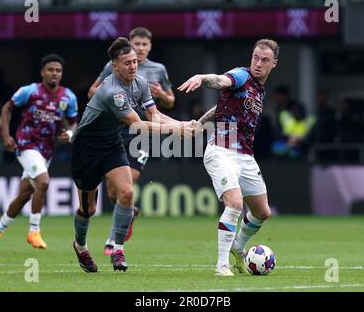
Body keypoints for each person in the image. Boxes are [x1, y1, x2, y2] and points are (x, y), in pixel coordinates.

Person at [71, 37, 194, 273]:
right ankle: (81, 245)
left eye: (135, 62)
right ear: (114, 66)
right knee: (88, 210)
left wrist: (183, 124)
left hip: (111, 144)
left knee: (126, 193)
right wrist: (178, 129)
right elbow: (137, 125)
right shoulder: (112, 92)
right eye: (127, 63)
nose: (133, 66)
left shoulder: (140, 82)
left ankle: (117, 249)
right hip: (86, 148)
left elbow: (154, 116)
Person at [178, 38, 279, 276]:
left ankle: (239, 246)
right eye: (255, 57)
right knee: (234, 203)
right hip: (221, 150)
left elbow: (222, 107)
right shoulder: (242, 76)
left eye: (264, 60)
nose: (258, 63)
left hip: (245, 156)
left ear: (273, 64)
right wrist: (203, 78)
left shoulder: (258, 91)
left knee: (263, 212)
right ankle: (222, 265)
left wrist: (200, 121)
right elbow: (222, 81)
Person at [88, 27, 176, 256]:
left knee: (130, 180)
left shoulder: (158, 70)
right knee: (113, 191)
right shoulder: (114, 67)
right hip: (115, 131)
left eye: (145, 45)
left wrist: (161, 96)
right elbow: (92, 91)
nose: (140, 48)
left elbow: (170, 101)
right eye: (137, 44)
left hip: (141, 133)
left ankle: (112, 240)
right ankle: (129, 211)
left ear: (150, 46)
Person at [0, 54, 78, 254]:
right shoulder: (29, 91)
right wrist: (6, 135)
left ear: (61, 74)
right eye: (50, 70)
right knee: (44, 182)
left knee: (25, 195)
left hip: (46, 151)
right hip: (26, 145)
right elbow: (6, 108)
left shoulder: (68, 97)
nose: (54, 73)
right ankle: (34, 231)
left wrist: (69, 133)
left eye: (58, 70)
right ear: (42, 72)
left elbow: (72, 121)